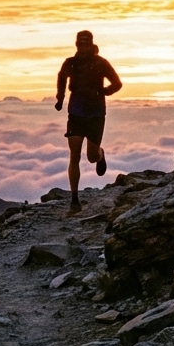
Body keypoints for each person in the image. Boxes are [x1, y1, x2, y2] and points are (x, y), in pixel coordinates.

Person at [55, 29, 122, 213]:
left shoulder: (101, 63)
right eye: (80, 44)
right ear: (76, 45)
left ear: (91, 44)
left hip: (96, 114)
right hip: (76, 113)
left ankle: (100, 154)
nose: (82, 47)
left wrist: (104, 92)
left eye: (85, 44)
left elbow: (117, 83)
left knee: (91, 156)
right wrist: (60, 99)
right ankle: (74, 200)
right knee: (74, 155)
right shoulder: (71, 63)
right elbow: (61, 79)